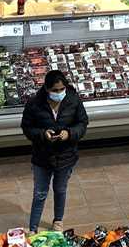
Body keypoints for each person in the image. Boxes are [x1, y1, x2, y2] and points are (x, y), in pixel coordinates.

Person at [20, 70, 89, 233]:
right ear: (46, 88)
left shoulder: (73, 100)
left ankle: (58, 221)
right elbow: (27, 127)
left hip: (66, 156)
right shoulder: (34, 104)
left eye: (61, 89)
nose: (59, 93)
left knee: (60, 190)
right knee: (40, 193)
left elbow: (83, 122)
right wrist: (43, 134)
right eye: (54, 90)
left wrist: (70, 133)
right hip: (42, 157)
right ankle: (33, 228)